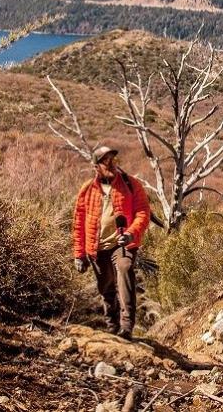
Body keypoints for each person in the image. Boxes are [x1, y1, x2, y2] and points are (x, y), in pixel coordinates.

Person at [72, 145, 151, 340]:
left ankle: (126, 326)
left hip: (122, 244)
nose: (110, 163)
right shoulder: (87, 190)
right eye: (105, 160)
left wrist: (131, 233)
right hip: (97, 248)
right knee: (105, 287)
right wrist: (79, 254)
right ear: (96, 166)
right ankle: (112, 326)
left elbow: (143, 212)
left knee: (125, 269)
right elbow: (79, 223)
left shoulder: (130, 184)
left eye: (112, 159)